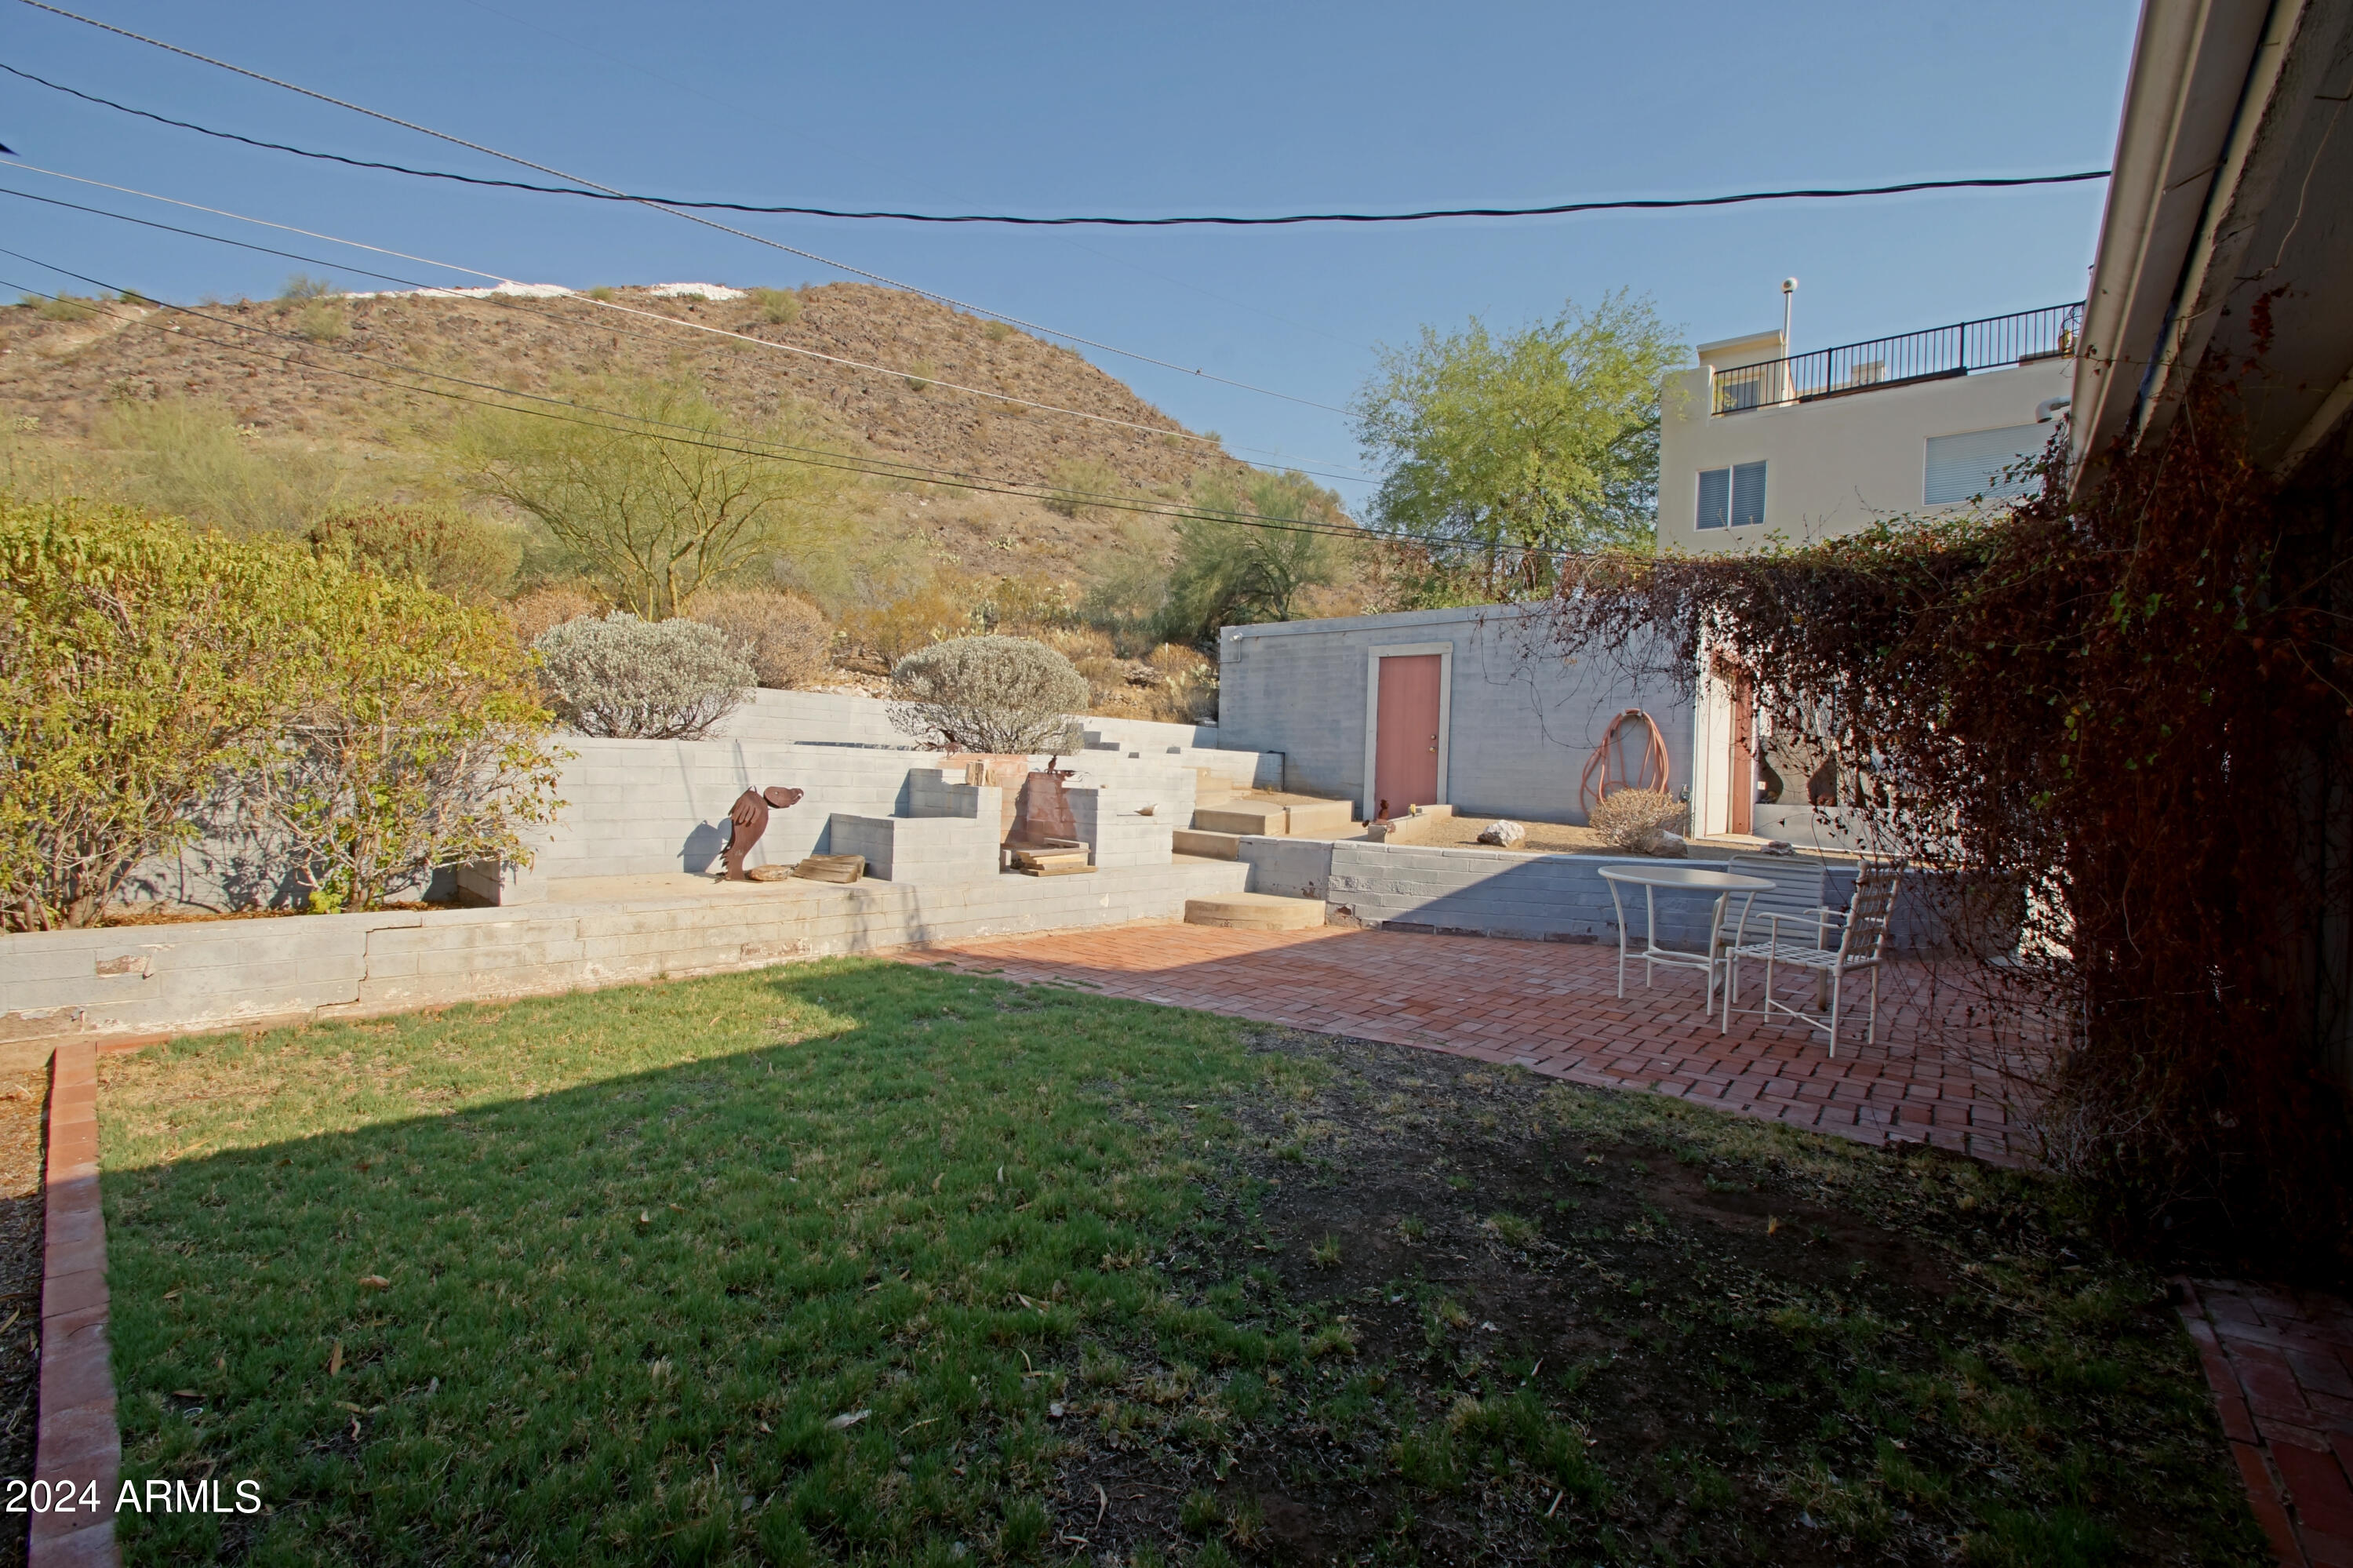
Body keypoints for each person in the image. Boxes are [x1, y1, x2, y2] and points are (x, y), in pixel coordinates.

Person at [722, 785, 803, 879]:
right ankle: (734, 872)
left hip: (755, 805)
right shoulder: (755, 801)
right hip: (752, 803)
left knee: (742, 844)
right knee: (741, 844)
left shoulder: (760, 805)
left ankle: (734, 872)